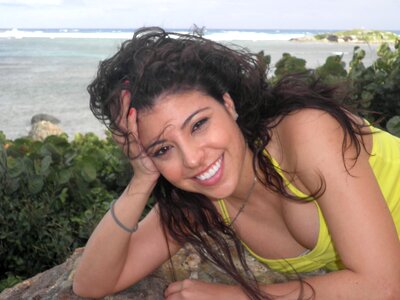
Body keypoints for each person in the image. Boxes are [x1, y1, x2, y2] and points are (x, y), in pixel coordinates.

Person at [72, 27, 400, 299]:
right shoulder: (203, 198)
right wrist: (142, 179)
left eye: (199, 124)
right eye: (162, 150)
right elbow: (91, 284)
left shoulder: (304, 133)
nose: (192, 158)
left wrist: (237, 295)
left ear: (228, 104)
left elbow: (383, 285)